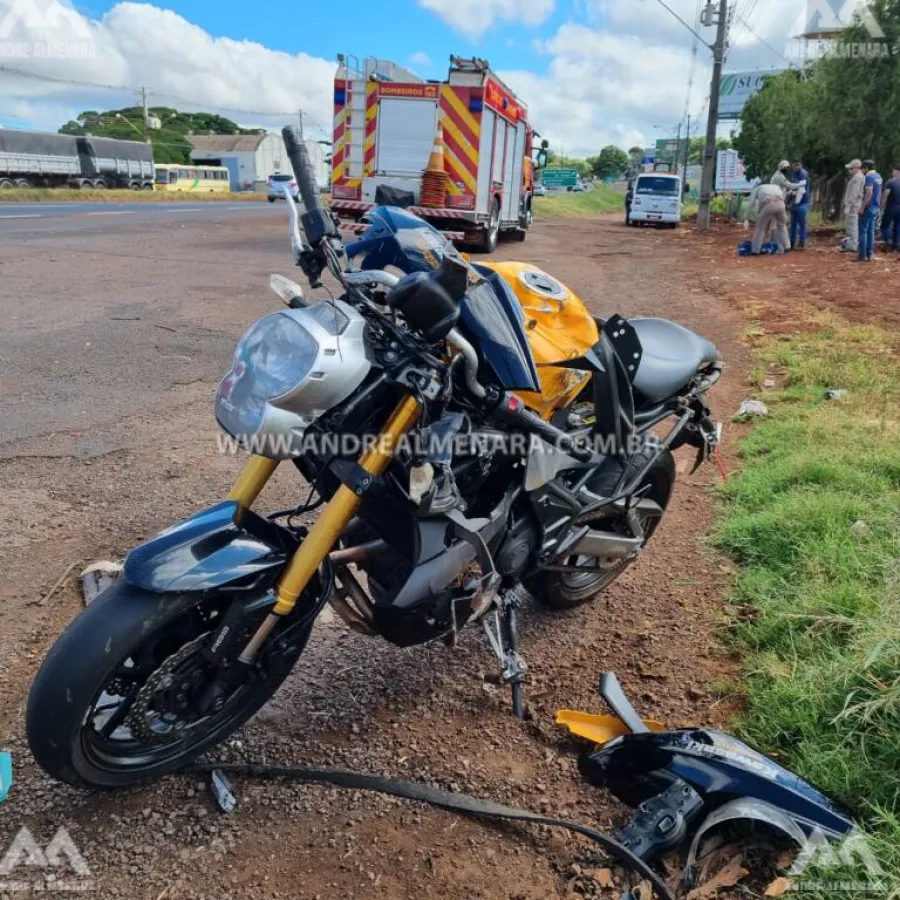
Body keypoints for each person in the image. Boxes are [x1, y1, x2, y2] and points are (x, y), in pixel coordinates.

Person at [744, 181, 790, 253]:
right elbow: (783, 196)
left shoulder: (757, 189)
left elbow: (751, 203)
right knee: (782, 225)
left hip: (769, 204)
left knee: (760, 228)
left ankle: (755, 250)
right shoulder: (775, 186)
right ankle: (787, 246)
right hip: (781, 204)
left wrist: (746, 218)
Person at [857, 159, 882, 261]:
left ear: (866, 168)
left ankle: (862, 255)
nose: (862, 171)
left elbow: (869, 192)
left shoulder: (869, 177)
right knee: (871, 231)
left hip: (868, 206)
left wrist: (862, 207)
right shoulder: (878, 176)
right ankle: (869, 253)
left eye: (863, 169)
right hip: (876, 206)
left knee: (863, 230)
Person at [841, 159, 865, 252]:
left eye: (851, 168)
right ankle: (851, 243)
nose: (849, 170)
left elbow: (854, 193)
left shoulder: (857, 178)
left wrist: (848, 205)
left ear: (856, 168)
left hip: (853, 205)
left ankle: (852, 245)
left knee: (852, 225)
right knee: (851, 224)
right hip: (854, 204)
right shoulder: (858, 177)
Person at [789, 159, 811, 249]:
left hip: (802, 202)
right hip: (795, 202)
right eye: (795, 165)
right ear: (792, 165)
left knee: (802, 223)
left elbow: (801, 191)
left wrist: (796, 202)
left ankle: (802, 242)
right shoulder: (794, 174)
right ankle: (792, 242)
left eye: (798, 165)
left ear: (801, 165)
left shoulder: (803, 174)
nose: (796, 167)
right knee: (793, 223)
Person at [880, 164, 900, 253]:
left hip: (892, 208)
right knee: (898, 227)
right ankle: (895, 246)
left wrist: (881, 206)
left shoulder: (891, 182)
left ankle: (888, 240)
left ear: (897, 171)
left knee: (884, 226)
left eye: (893, 171)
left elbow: (885, 195)